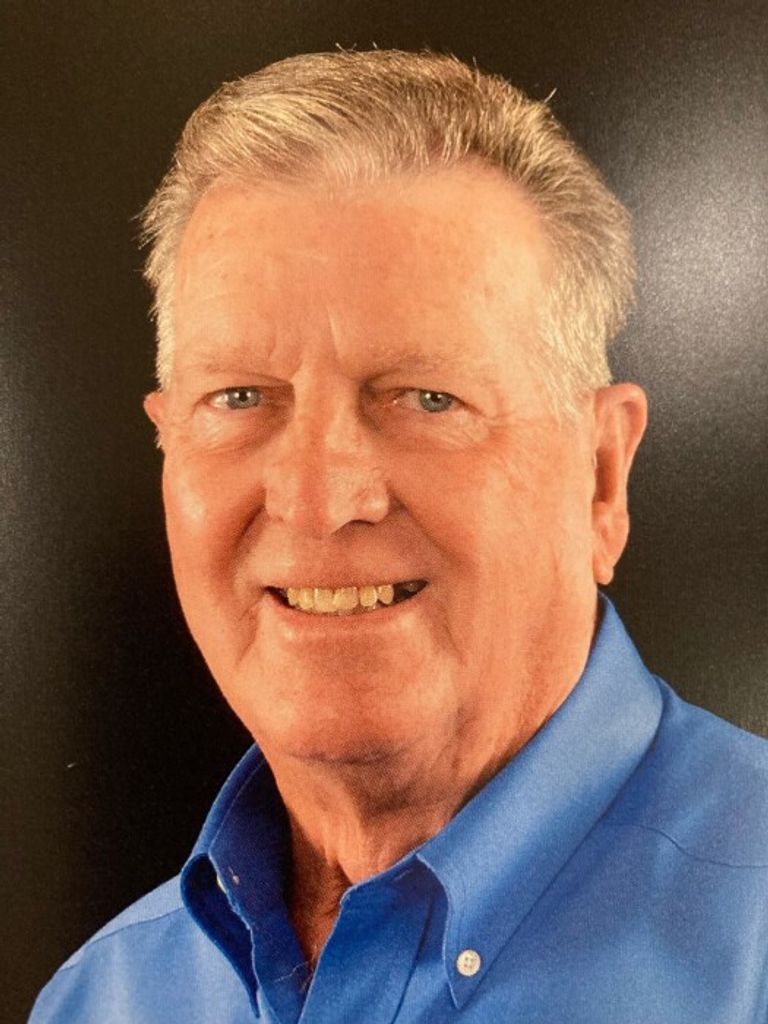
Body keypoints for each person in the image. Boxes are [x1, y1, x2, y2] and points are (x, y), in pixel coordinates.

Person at [30, 49, 768, 1024]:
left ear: (600, 475)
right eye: (240, 397)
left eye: (425, 397)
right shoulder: (100, 999)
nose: (317, 498)